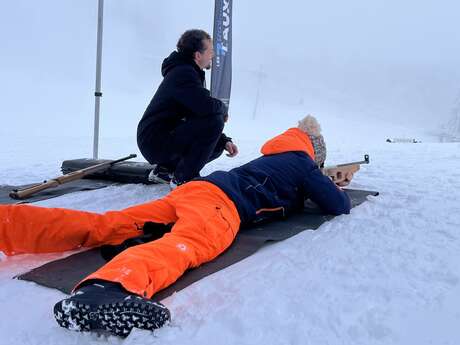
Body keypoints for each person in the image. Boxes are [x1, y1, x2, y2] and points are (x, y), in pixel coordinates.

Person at [0, 115, 351, 337]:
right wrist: (329, 182)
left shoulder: (274, 156)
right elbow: (338, 205)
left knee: (111, 224)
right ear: (315, 152)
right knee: (186, 244)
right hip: (221, 206)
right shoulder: (304, 163)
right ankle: (108, 289)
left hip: (195, 190)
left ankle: (8, 225)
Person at [137, 29, 238, 187]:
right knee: (215, 121)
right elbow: (207, 108)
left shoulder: (189, 72)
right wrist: (223, 109)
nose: (212, 55)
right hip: (154, 139)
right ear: (198, 55)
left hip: (161, 136)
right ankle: (183, 179)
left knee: (217, 144)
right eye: (210, 51)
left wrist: (224, 141)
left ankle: (165, 170)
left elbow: (198, 114)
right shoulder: (183, 74)